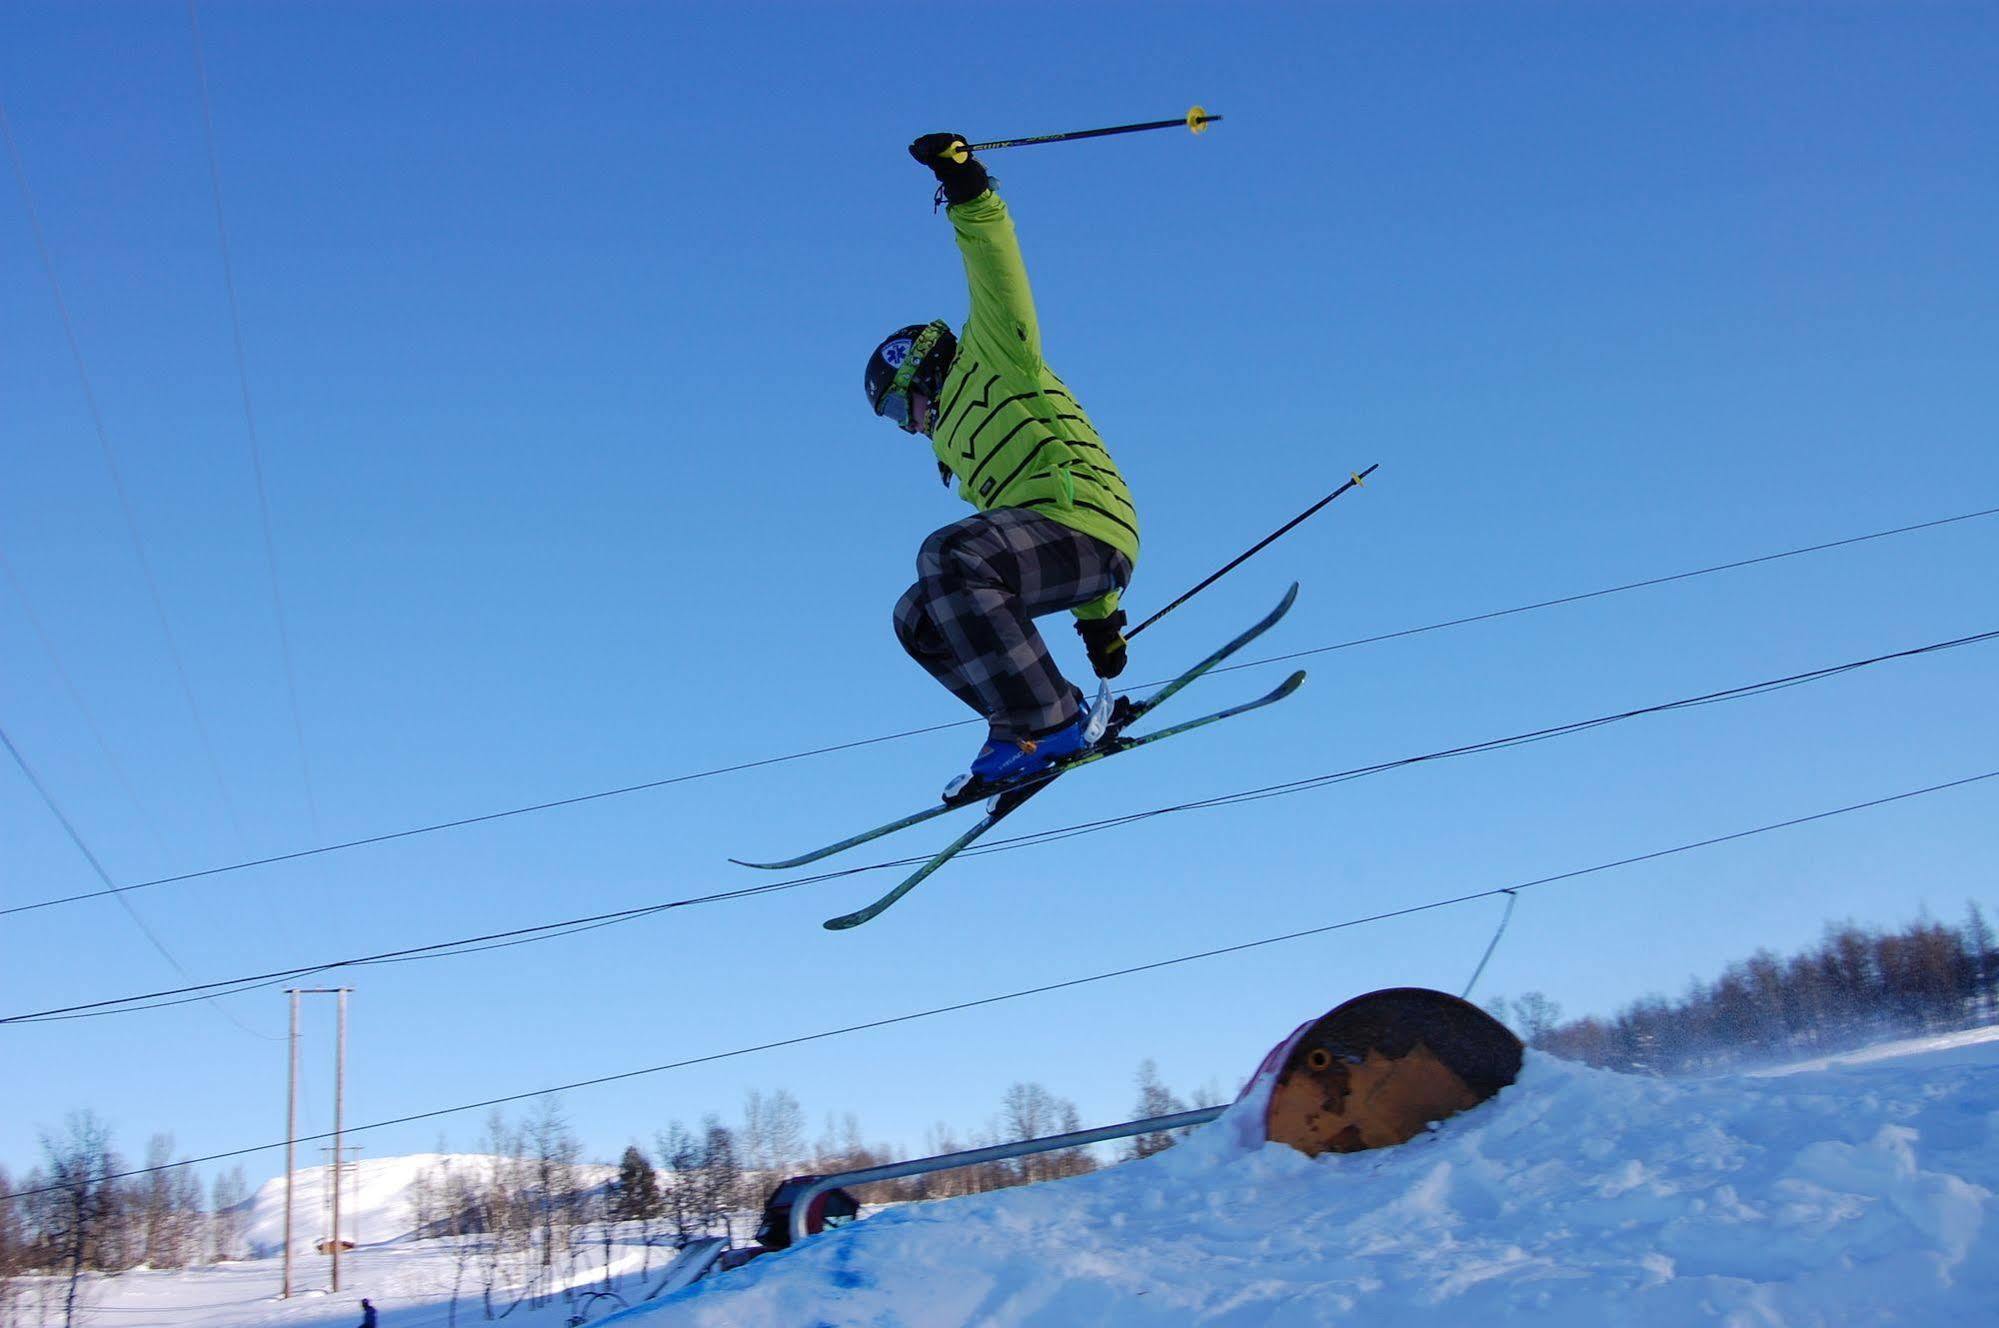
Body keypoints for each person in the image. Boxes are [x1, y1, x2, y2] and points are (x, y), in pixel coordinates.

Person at [866, 132, 1141, 799]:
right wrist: (1100, 625)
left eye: (904, 412)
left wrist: (967, 188)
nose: (910, 430)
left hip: (1093, 528)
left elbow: (995, 261)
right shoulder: (956, 450)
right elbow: (1021, 548)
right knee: (919, 615)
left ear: (920, 374)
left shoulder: (995, 354)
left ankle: (1045, 723)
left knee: (951, 554)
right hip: (1061, 545)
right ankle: (1041, 718)